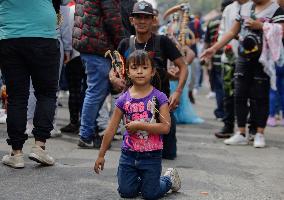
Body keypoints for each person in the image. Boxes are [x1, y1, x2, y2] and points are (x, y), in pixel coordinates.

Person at [94, 50, 181, 199]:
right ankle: (143, 181)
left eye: (144, 68)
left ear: (152, 71)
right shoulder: (123, 99)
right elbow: (111, 129)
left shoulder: (159, 97)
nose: (140, 71)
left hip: (151, 156)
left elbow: (166, 127)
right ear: (127, 72)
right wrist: (101, 155)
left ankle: (168, 179)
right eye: (134, 68)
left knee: (150, 195)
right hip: (128, 155)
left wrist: (140, 125)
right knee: (126, 192)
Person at [201, 0, 284, 148]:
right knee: (239, 94)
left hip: (263, 60)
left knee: (260, 97)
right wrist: (214, 48)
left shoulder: (275, 9)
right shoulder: (245, 8)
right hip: (243, 57)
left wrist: (262, 26)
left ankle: (259, 134)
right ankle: (240, 133)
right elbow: (233, 31)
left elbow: (281, 30)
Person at [117, 1, 188, 159]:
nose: (142, 21)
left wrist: (178, 91)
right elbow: (113, 71)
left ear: (153, 20)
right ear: (131, 20)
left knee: (168, 155)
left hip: (161, 109)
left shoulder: (163, 42)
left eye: (146, 17)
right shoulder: (125, 44)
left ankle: (164, 182)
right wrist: (115, 79)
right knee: (137, 154)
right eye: (138, 17)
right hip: (134, 110)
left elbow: (183, 66)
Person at [0, 0, 60, 168]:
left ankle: (16, 153)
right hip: (44, 34)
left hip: (10, 35)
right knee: (46, 93)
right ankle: (39, 146)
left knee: (17, 96)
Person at [73, 0, 124, 148]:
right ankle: (86, 135)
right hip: (97, 45)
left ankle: (89, 132)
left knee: (94, 90)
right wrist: (123, 43)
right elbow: (112, 19)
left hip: (89, 43)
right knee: (96, 91)